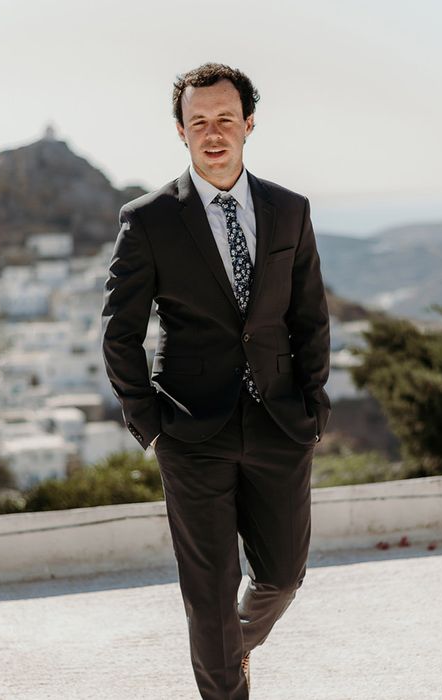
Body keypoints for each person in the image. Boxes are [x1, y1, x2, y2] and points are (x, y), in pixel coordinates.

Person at [101, 62, 330, 699]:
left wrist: (314, 408)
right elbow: (120, 333)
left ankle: (238, 645)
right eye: (198, 121)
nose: (213, 132)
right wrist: (151, 430)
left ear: (249, 124)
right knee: (208, 598)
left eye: (225, 118)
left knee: (283, 576)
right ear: (181, 131)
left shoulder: (289, 210)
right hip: (189, 431)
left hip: (281, 423)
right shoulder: (148, 220)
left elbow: (310, 316)